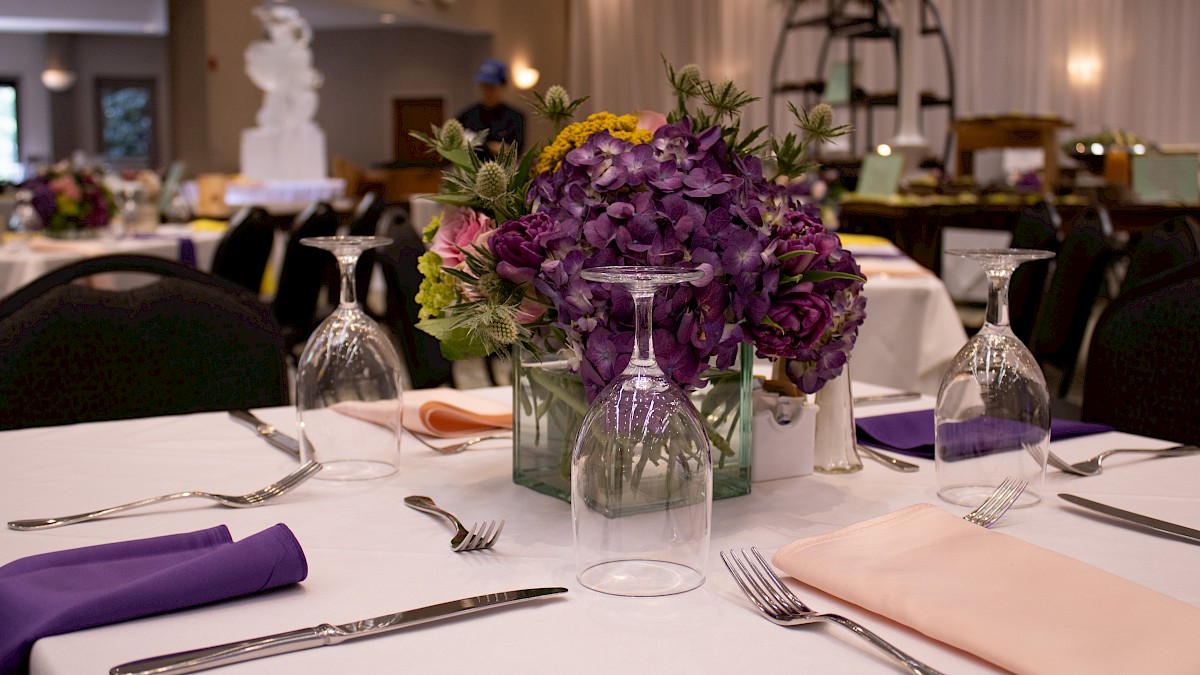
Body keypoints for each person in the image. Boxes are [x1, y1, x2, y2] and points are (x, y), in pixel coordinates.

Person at [456, 59, 525, 158]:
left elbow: (515, 151)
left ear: (502, 86)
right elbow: (459, 147)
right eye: (484, 86)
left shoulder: (515, 118)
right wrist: (489, 147)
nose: (487, 91)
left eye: (492, 86)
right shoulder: (465, 117)